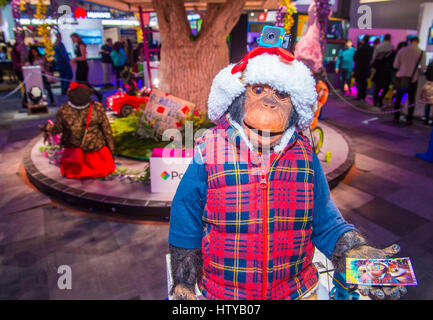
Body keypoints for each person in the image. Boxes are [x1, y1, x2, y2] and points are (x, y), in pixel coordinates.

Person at [44, 82, 115, 179]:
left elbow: (57, 129)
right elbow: (107, 132)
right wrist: (111, 153)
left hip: (74, 160)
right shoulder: (97, 107)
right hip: (98, 159)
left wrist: (47, 127)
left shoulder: (64, 110)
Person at [393, 37, 426, 125]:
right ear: (418, 42)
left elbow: (395, 65)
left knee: (398, 98)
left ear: (410, 42)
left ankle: (396, 117)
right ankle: (409, 119)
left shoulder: (402, 50)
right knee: (411, 100)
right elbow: (423, 68)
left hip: (401, 77)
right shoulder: (421, 52)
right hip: (413, 79)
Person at [70, 33, 102, 102]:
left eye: (73, 38)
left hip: (83, 67)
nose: (72, 40)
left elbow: (83, 57)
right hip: (80, 66)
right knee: (81, 83)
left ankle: (96, 95)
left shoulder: (81, 46)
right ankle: (86, 97)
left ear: (76, 38)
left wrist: (75, 59)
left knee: (83, 83)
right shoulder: (78, 46)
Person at [371, 34, 395, 108]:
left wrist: (373, 67)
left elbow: (374, 58)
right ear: (390, 39)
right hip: (388, 71)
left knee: (377, 87)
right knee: (386, 87)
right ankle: (380, 100)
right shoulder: (392, 48)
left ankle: (375, 102)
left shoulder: (379, 47)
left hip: (379, 70)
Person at [354, 35, 374, 101]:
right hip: (366, 67)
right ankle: (363, 96)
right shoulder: (371, 48)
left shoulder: (360, 48)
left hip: (359, 67)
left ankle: (359, 96)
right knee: (364, 82)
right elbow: (372, 58)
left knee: (359, 82)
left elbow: (355, 57)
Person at [421, 60, 433, 125]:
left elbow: (427, 73)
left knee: (428, 103)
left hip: (429, 83)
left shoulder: (431, 62)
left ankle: (426, 118)